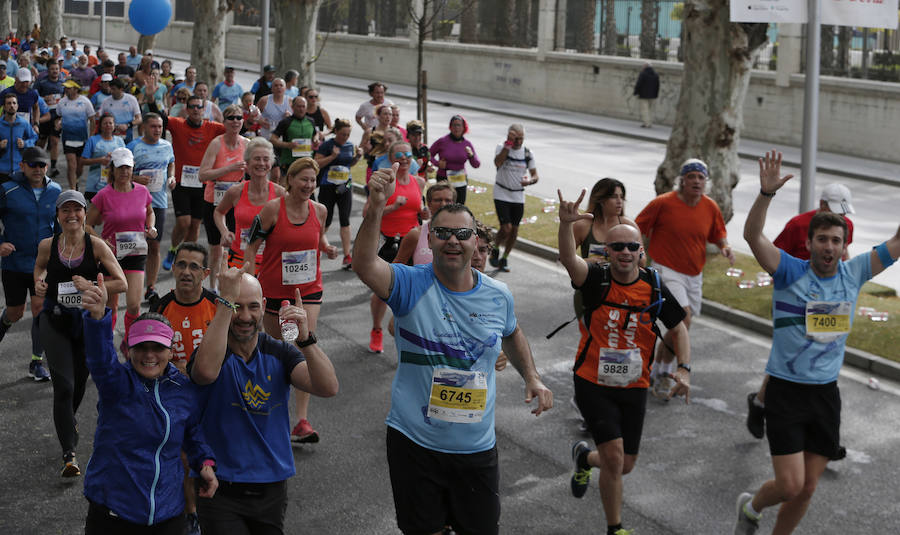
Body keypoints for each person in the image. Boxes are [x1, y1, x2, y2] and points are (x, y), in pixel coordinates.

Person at [353, 165, 553, 535]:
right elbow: (365, 264)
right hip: (415, 443)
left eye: (462, 233)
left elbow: (512, 331)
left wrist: (533, 377)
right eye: (442, 233)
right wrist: (376, 207)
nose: (452, 240)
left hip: (475, 447)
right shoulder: (410, 284)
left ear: (476, 241)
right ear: (430, 238)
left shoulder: (498, 295)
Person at [733, 150, 900, 535]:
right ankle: (753, 506)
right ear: (808, 244)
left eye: (836, 241)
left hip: (825, 395)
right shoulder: (788, 270)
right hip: (786, 393)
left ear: (844, 246)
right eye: (822, 239)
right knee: (789, 485)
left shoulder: (855, 272)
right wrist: (765, 194)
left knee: (806, 490)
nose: (829, 247)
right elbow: (752, 236)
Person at [558, 189, 690, 535]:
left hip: (634, 385)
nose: (626, 253)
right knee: (615, 459)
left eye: (633, 247)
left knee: (625, 464)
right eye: (617, 247)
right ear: (607, 252)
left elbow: (679, 327)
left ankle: (585, 458)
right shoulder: (595, 278)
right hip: (592, 381)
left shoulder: (654, 287)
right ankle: (615, 528)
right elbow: (569, 259)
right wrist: (565, 226)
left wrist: (684, 368)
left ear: (641, 253)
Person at [189, 265, 338, 535]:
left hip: (272, 486)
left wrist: (306, 340)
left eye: (253, 307)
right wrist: (225, 301)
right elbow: (204, 373)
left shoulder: (279, 353)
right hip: (220, 486)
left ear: (264, 306)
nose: (245, 316)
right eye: (237, 306)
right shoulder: (212, 352)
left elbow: (328, 387)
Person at [80, 277, 218, 535]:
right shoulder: (117, 384)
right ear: (129, 350)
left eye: (158, 348)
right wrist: (98, 318)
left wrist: (204, 464)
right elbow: (100, 361)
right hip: (113, 512)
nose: (149, 355)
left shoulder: (182, 388)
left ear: (170, 350)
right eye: (141, 347)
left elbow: (191, 431)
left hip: (168, 513)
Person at [746, 182, 857, 441]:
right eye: (836, 211)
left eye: (844, 213)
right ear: (821, 206)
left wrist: (848, 285)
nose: (842, 218)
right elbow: (771, 253)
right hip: (795, 298)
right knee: (792, 359)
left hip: (827, 302)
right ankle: (763, 405)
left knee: (820, 356)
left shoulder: (846, 226)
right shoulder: (797, 225)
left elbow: (844, 254)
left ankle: (822, 437)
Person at [243, 157, 337, 444]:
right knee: (279, 349)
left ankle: (302, 420)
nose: (308, 185)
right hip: (275, 292)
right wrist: (248, 284)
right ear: (290, 180)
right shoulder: (272, 210)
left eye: (312, 180)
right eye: (303, 179)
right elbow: (252, 247)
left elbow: (318, 241)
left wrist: (328, 248)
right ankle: (271, 412)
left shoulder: (319, 211)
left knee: (302, 344)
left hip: (309, 290)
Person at [34, 189, 126, 476]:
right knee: (63, 385)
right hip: (55, 319)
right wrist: (38, 282)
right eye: (65, 210)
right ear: (58, 215)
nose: (71, 215)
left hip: (86, 322)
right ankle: (69, 453)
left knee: (79, 382)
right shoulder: (48, 245)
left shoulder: (96, 246)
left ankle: (68, 419)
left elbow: (121, 282)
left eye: (77, 210)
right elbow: (38, 268)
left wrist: (91, 286)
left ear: (85, 214)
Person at [635, 158, 733, 398]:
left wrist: (724, 246)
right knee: (683, 319)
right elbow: (637, 225)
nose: (696, 181)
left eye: (701, 177)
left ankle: (656, 368)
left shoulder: (710, 206)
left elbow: (717, 233)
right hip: (666, 269)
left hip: (693, 275)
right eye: (691, 177)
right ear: (682, 180)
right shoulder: (663, 203)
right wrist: (638, 251)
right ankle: (667, 373)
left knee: (680, 325)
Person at [150, 241, 218, 534]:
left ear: (204, 273)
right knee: (185, 455)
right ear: (174, 268)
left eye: (194, 267)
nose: (186, 272)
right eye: (181, 264)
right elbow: (147, 354)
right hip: (176, 396)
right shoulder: (161, 307)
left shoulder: (216, 305)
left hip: (214, 394)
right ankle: (191, 514)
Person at [0, 147, 59, 381]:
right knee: (14, 313)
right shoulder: (7, 190)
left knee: (39, 309)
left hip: (42, 264)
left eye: (42, 165)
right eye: (32, 165)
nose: (38, 169)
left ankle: (37, 361)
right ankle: (4, 322)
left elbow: (62, 223)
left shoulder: (55, 191)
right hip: (14, 263)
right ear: (22, 166)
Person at [85, 147, 156, 341]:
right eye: (120, 167)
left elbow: (149, 212)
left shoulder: (142, 191)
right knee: (111, 305)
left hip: (136, 252)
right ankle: (106, 343)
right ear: (112, 170)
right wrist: (101, 242)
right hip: (111, 255)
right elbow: (87, 225)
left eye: (128, 168)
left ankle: (129, 343)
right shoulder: (104, 195)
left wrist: (151, 226)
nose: (124, 172)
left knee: (134, 304)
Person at [364, 143, 426, 353]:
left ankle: (409, 334)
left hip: (414, 244)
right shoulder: (386, 182)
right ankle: (376, 329)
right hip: (389, 242)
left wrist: (424, 213)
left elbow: (418, 210)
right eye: (400, 155)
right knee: (384, 292)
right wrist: (393, 207)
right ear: (392, 159)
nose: (406, 158)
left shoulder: (419, 182)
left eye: (409, 154)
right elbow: (367, 212)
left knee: (414, 292)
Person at [163, 95, 225, 271]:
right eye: (192, 107)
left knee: (195, 225)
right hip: (182, 182)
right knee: (184, 222)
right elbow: (159, 118)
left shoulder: (212, 127)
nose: (196, 110)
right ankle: (173, 249)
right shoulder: (177, 124)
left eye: (199, 106)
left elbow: (233, 128)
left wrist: (250, 119)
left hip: (202, 183)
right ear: (187, 109)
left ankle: (186, 257)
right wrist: (153, 98)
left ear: (204, 109)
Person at [216, 137, 285, 274]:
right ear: (247, 163)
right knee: (237, 295)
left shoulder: (280, 193)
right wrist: (224, 231)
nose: (261, 163)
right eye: (257, 159)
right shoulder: (236, 192)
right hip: (239, 258)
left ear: (271, 163)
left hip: (270, 260)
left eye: (266, 159)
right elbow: (219, 212)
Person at [198, 105, 247, 292]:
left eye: (238, 117)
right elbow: (202, 175)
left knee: (236, 244)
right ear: (224, 122)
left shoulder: (247, 144)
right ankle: (213, 287)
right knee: (216, 247)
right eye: (231, 118)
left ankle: (236, 284)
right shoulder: (216, 144)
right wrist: (229, 169)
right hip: (214, 200)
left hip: (237, 201)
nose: (235, 121)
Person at [127, 112, 175, 304]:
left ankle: (151, 288)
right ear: (144, 127)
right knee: (133, 246)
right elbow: (118, 174)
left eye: (160, 127)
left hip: (159, 202)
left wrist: (171, 177)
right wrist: (136, 179)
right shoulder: (133, 146)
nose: (157, 130)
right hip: (135, 203)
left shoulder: (166, 145)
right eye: (153, 126)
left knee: (154, 245)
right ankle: (129, 284)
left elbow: (171, 162)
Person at [489, 123, 539, 272]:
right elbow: (497, 162)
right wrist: (507, 146)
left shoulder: (528, 153)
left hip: (518, 195)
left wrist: (529, 181)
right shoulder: (502, 147)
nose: (518, 142)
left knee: (514, 231)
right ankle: (496, 248)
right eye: (516, 139)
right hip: (501, 192)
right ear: (509, 137)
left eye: (521, 139)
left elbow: (535, 175)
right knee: (506, 228)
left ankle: (504, 258)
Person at [314, 117, 361, 268]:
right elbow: (316, 163)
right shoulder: (327, 145)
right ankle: (314, 249)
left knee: (344, 219)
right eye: (342, 134)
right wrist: (332, 156)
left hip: (345, 186)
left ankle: (347, 256)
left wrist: (358, 157)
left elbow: (349, 163)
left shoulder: (349, 145)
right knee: (325, 221)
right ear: (336, 132)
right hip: (328, 186)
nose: (345, 137)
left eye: (347, 134)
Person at [429, 114, 480, 204]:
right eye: (454, 125)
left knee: (459, 207)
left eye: (459, 125)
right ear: (450, 127)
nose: (456, 128)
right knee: (444, 206)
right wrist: (437, 163)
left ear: (464, 128)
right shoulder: (443, 141)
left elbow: (476, 164)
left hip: (460, 179)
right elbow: (428, 154)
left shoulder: (467, 144)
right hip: (444, 178)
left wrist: (471, 155)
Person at [56, 79, 94, 190]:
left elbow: (92, 119)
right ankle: (73, 189)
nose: (66, 90)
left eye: (69, 88)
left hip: (82, 137)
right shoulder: (62, 102)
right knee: (71, 165)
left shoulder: (85, 101)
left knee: (79, 166)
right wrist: (58, 123)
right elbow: (58, 116)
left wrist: (91, 135)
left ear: (76, 89)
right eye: (66, 88)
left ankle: (76, 180)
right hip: (67, 138)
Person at [270, 95, 318, 177]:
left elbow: (315, 134)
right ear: (292, 107)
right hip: (289, 162)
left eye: (303, 106)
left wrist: (316, 140)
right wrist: (287, 145)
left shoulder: (311, 121)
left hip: (307, 161)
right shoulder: (286, 122)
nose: (301, 109)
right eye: (299, 106)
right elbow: (273, 139)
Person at [80, 113, 125, 201]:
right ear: (100, 126)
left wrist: (114, 157)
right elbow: (82, 161)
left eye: (110, 123)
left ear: (114, 125)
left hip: (114, 184)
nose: (108, 125)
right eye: (105, 123)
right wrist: (100, 160)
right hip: (95, 185)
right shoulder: (93, 140)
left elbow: (125, 159)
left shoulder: (120, 141)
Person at [0, 93, 38, 180]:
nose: (12, 106)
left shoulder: (23, 123)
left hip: (19, 169)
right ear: (4, 107)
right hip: (2, 170)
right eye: (9, 103)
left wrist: (25, 143)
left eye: (14, 103)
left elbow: (34, 138)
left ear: (17, 106)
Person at [97, 78, 142, 143]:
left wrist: (127, 125)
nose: (111, 91)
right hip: (111, 135)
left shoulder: (131, 99)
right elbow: (99, 117)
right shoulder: (106, 101)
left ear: (121, 89)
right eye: (110, 88)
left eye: (114, 89)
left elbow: (139, 119)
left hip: (127, 134)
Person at [256, 78, 290, 151]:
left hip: (283, 137)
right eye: (276, 85)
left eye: (281, 85)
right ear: (272, 88)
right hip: (267, 136)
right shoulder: (264, 100)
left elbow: (297, 118)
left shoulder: (291, 101)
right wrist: (260, 121)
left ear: (285, 88)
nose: (279, 88)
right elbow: (254, 115)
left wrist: (289, 117)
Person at [633, 62, 659, 128]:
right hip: (653, 95)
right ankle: (649, 123)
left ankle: (647, 123)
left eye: (643, 66)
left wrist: (636, 92)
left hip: (643, 95)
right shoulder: (655, 74)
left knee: (644, 110)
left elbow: (639, 84)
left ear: (645, 66)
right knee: (650, 110)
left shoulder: (643, 74)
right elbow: (657, 86)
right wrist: (656, 94)